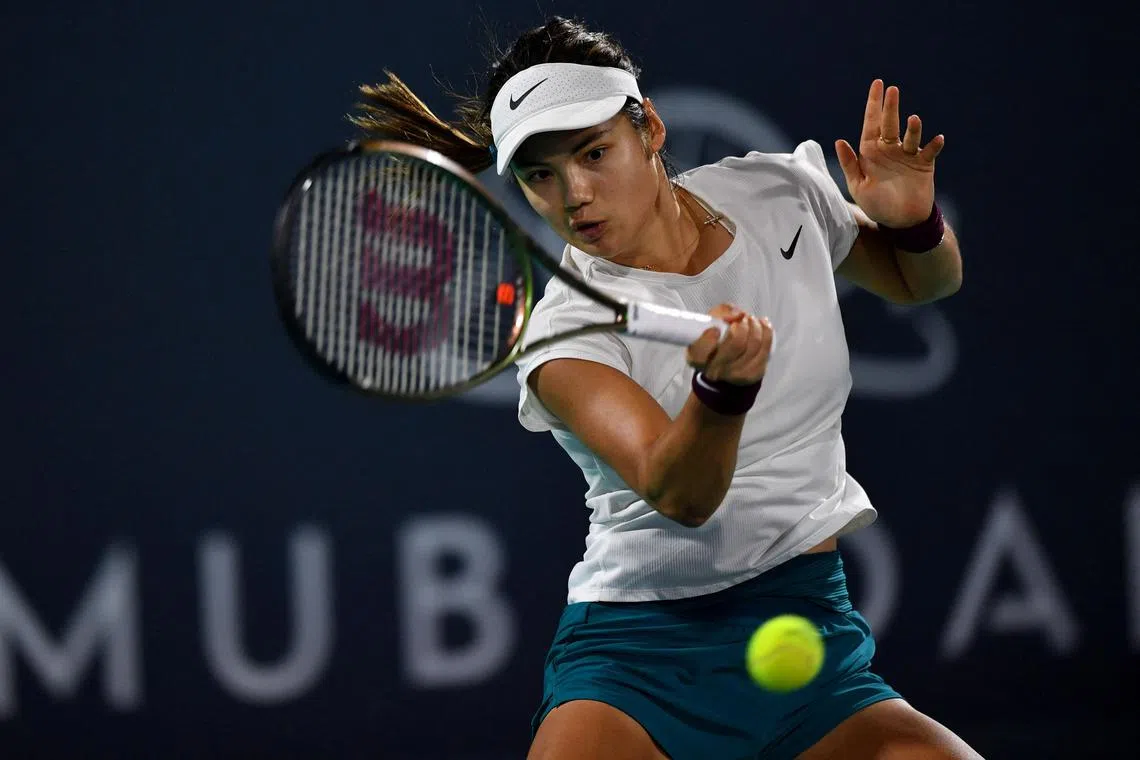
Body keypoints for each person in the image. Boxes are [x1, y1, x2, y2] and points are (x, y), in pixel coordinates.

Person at [351, 15, 981, 760]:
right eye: (539, 175)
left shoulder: (777, 196)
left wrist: (914, 224)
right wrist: (723, 393)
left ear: (648, 127)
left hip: (808, 627)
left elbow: (922, 282)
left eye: (593, 153)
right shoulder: (562, 335)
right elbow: (679, 493)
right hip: (637, 664)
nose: (574, 195)